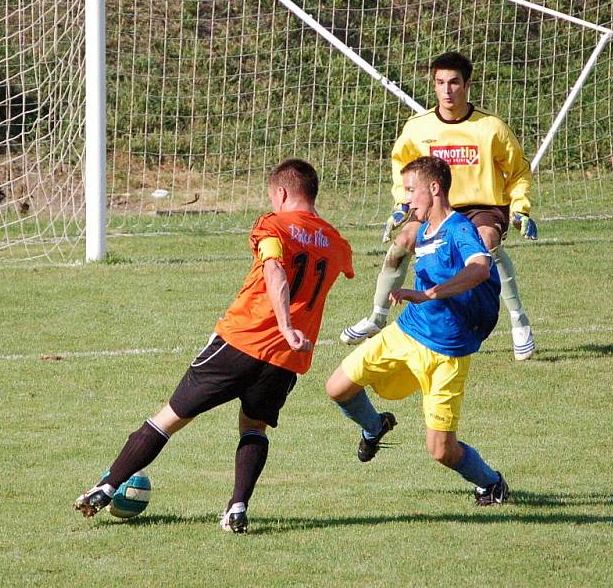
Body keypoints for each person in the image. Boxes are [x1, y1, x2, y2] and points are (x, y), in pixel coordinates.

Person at [74, 159, 354, 532]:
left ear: (282, 193)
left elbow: (274, 267)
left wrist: (284, 324)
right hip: (287, 358)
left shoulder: (273, 226)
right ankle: (237, 507)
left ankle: (106, 486)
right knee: (254, 427)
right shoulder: (337, 243)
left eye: (272, 197)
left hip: (243, 341)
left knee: (168, 418)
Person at [326, 156, 509, 506]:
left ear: (435, 189)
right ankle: (375, 427)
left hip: (447, 355)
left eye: (411, 191)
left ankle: (491, 483)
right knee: (337, 387)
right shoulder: (423, 231)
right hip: (407, 333)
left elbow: (480, 268)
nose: (406, 199)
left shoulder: (459, 230)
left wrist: (427, 294)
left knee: (441, 450)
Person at [340, 51, 538, 361]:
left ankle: (519, 322)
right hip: (433, 206)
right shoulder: (418, 128)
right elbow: (401, 165)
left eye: (454, 83)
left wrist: (520, 208)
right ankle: (377, 316)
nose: (447, 90)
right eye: (440, 82)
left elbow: (519, 172)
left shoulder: (491, 127)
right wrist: (401, 204)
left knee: (486, 242)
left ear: (467, 84)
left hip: (481, 205)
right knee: (403, 242)